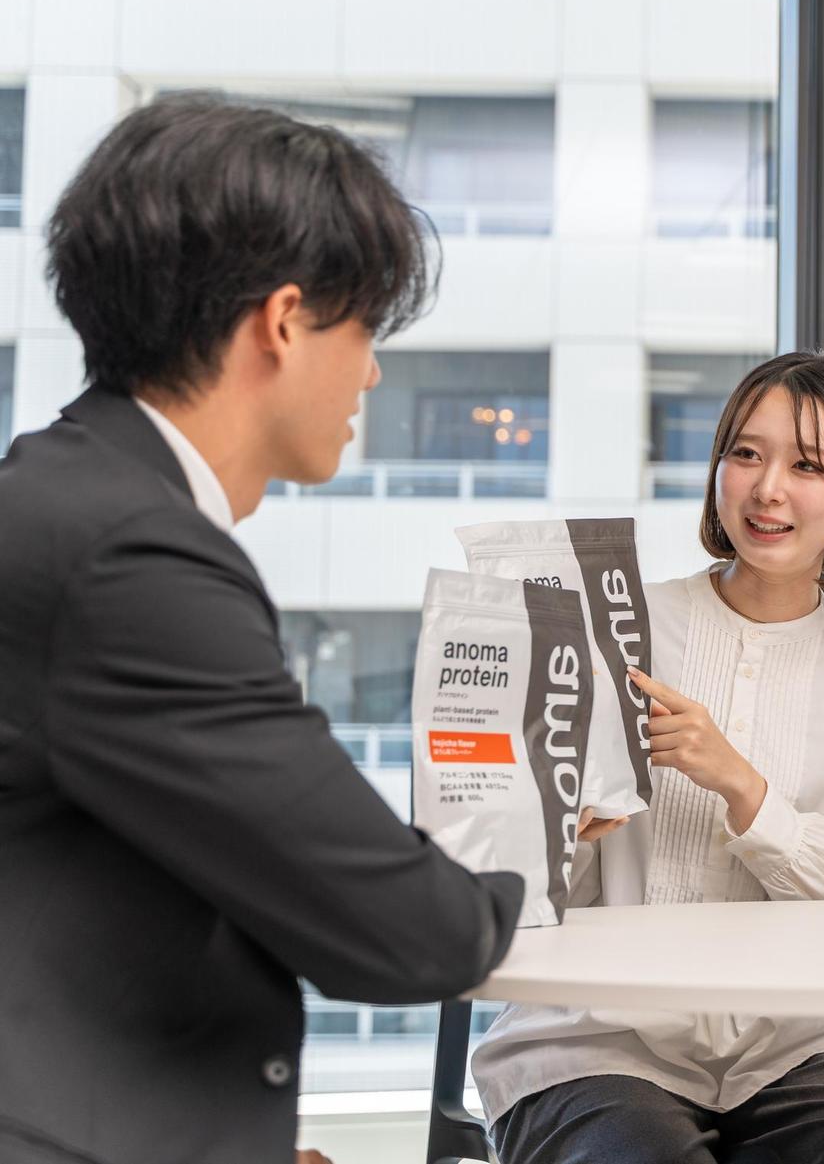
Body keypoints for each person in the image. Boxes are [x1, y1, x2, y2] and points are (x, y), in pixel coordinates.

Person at [0, 96, 525, 1164]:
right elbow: (411, 934)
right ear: (284, 322)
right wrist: (533, 869)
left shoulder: (60, 491)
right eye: (365, 329)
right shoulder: (132, 556)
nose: (371, 372)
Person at [472, 352, 824, 1164]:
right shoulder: (618, 629)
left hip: (791, 1047)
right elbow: (503, 877)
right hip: (597, 1037)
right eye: (746, 453)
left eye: (809, 466)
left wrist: (745, 789)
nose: (768, 489)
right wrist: (560, 822)